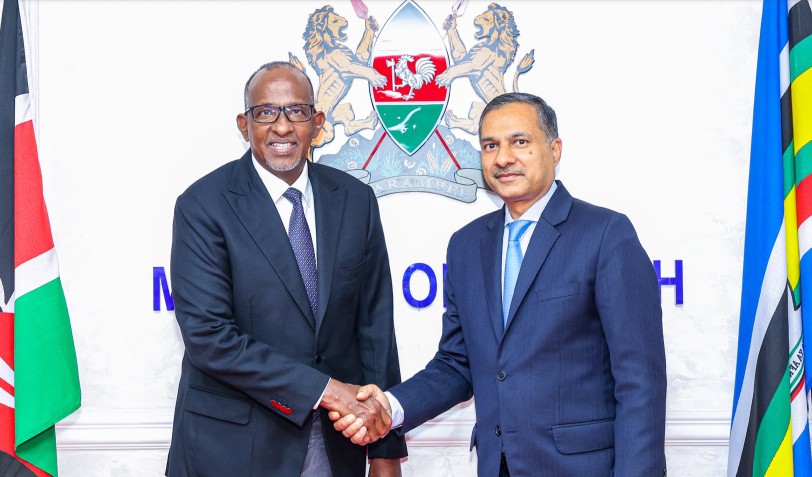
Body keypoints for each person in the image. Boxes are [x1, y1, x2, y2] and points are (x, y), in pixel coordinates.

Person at [332, 92, 667, 476]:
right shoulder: (467, 245)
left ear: (555, 149)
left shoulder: (605, 234)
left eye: (519, 142)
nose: (503, 158)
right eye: (490, 146)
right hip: (497, 466)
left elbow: (640, 381)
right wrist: (389, 407)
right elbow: (457, 364)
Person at [166, 61, 406, 477]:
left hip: (337, 445)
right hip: (232, 450)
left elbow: (375, 331)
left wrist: (385, 449)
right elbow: (209, 337)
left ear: (317, 123)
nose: (282, 127)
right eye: (265, 112)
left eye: (296, 111)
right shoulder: (203, 206)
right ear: (244, 125)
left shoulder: (356, 200)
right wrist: (326, 390)